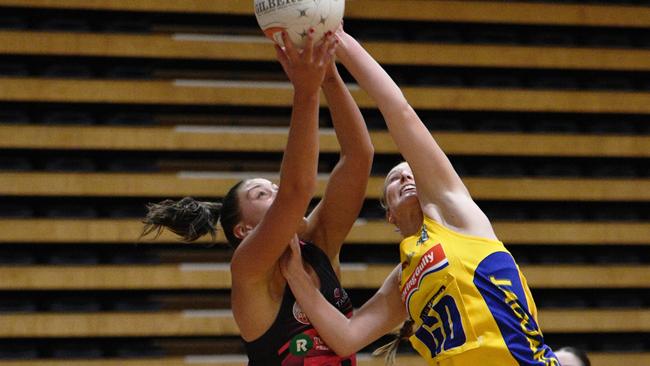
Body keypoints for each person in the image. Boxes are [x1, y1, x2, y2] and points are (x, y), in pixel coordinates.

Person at [279, 28, 560, 366]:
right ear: (390, 215)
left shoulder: (454, 212)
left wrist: (340, 41)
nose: (408, 176)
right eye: (396, 178)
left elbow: (400, 112)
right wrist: (295, 275)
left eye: (412, 172)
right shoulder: (404, 278)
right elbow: (347, 337)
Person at [141, 30, 374, 365]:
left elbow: (359, 157)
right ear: (245, 230)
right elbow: (296, 191)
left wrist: (330, 77)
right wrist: (305, 92)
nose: (277, 192)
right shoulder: (249, 268)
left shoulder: (319, 245)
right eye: (262, 193)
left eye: (273, 188)